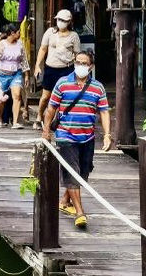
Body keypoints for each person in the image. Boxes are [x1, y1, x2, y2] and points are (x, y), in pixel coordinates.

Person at [42, 50, 111, 228]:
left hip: (87, 137)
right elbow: (51, 109)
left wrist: (107, 135)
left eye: (84, 63)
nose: (80, 66)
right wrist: (46, 130)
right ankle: (80, 212)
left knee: (83, 172)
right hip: (66, 135)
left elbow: (104, 111)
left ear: (91, 67)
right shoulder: (63, 83)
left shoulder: (98, 87)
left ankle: (65, 201)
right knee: (72, 172)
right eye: (77, 62)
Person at [33, 10, 81, 129]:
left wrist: (78, 70)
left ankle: (56, 121)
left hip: (66, 69)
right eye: (59, 20)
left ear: (69, 22)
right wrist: (37, 65)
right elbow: (43, 49)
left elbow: (77, 54)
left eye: (64, 20)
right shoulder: (50, 32)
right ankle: (39, 117)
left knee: (63, 97)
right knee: (45, 96)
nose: (61, 22)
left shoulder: (73, 36)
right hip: (51, 68)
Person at [0, 23, 30, 128]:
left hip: (16, 73)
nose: (20, 33)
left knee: (17, 95)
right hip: (2, 73)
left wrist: (26, 75)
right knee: (0, 98)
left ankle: (15, 122)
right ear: (12, 33)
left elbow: (24, 60)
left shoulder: (20, 44)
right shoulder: (1, 45)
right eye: (18, 32)